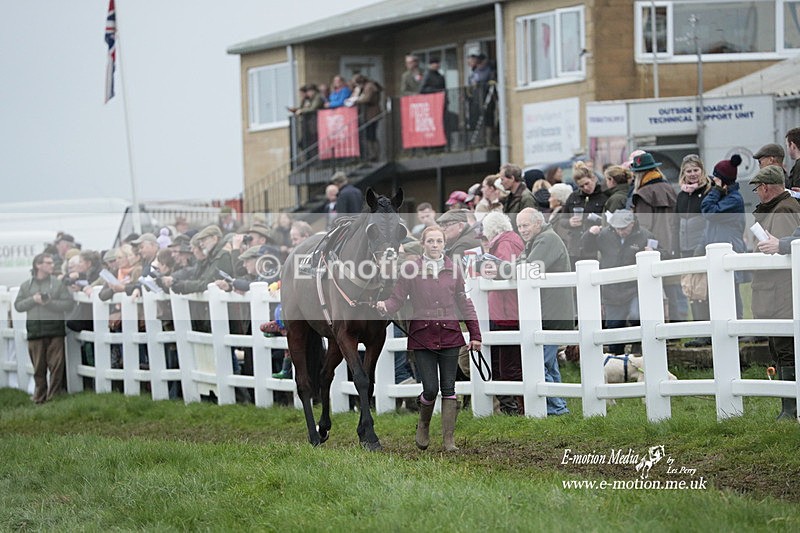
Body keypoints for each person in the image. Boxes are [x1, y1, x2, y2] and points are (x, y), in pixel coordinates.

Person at [376, 226, 482, 452]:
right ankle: (423, 425)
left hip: (450, 334)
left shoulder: (454, 270)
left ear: (444, 244)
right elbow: (397, 299)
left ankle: (449, 439)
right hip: (422, 335)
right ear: (423, 243)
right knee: (431, 388)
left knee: (449, 388)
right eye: (431, 241)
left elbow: (465, 304)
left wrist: (475, 335)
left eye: (439, 241)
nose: (435, 245)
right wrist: (385, 306)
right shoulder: (410, 269)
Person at [749, 165, 800, 419]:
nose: (758, 193)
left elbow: (782, 252)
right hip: (776, 292)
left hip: (781, 293)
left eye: (757, 188)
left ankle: (790, 409)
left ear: (765, 187)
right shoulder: (780, 208)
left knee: (784, 349)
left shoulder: (784, 210)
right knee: (780, 349)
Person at [514, 208, 571, 415]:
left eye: (525, 225)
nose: (522, 230)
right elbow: (519, 265)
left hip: (551, 313)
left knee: (540, 363)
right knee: (549, 364)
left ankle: (557, 409)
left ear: (538, 223)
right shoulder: (538, 240)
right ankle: (559, 408)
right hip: (549, 312)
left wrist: (499, 270)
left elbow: (527, 269)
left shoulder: (547, 240)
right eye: (519, 226)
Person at [580, 210, 657, 354]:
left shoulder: (645, 235)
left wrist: (652, 252)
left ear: (632, 224)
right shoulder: (604, 234)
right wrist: (590, 234)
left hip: (635, 288)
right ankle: (617, 357)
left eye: (624, 228)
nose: (621, 231)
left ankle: (638, 349)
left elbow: (662, 254)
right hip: (612, 290)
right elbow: (586, 248)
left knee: (637, 316)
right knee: (614, 326)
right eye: (617, 228)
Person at [629, 152, 684, 322]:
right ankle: (678, 323)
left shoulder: (643, 193)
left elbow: (643, 226)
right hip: (671, 243)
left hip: (651, 247)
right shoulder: (669, 188)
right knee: (672, 289)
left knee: (651, 290)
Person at [14, 253, 75, 404]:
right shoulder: (26, 285)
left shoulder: (57, 284)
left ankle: (54, 397)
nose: (52, 265)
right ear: (38, 265)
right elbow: (18, 306)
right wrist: (33, 300)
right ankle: (39, 397)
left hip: (55, 331)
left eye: (52, 262)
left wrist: (48, 303)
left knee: (56, 367)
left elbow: (68, 304)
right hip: (35, 331)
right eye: (48, 263)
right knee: (38, 368)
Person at [481, 212, 525, 415]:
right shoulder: (510, 240)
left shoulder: (505, 243)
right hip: (507, 309)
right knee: (507, 363)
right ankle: (513, 407)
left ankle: (516, 408)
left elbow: (505, 270)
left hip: (506, 311)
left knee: (508, 365)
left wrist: (486, 269)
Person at [702, 154, 748, 319]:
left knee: (731, 293)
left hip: (729, 250)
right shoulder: (724, 196)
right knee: (719, 295)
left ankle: (738, 325)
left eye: (716, 178)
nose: (713, 180)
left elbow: (708, 211)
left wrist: (716, 190)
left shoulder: (734, 200)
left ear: (723, 180)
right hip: (716, 250)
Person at [675, 154, 713, 347]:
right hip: (685, 248)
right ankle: (700, 331)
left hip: (702, 247)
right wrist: (676, 248)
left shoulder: (708, 191)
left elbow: (708, 222)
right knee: (690, 290)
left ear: (702, 170)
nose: (692, 174)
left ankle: (708, 331)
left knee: (704, 290)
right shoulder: (681, 195)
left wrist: (701, 246)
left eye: (695, 170)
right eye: (688, 171)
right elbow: (676, 222)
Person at [561, 162, 608, 266]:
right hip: (575, 246)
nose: (586, 188)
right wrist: (569, 222)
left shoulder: (604, 196)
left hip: (595, 245)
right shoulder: (573, 197)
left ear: (594, 179)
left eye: (587, 183)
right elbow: (562, 219)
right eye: (581, 186)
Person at [350, 74, 383, 161]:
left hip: (372, 113)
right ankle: (371, 154)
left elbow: (367, 98)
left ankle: (375, 154)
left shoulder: (369, 86)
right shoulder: (363, 87)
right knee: (368, 135)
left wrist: (356, 100)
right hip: (367, 114)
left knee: (371, 135)